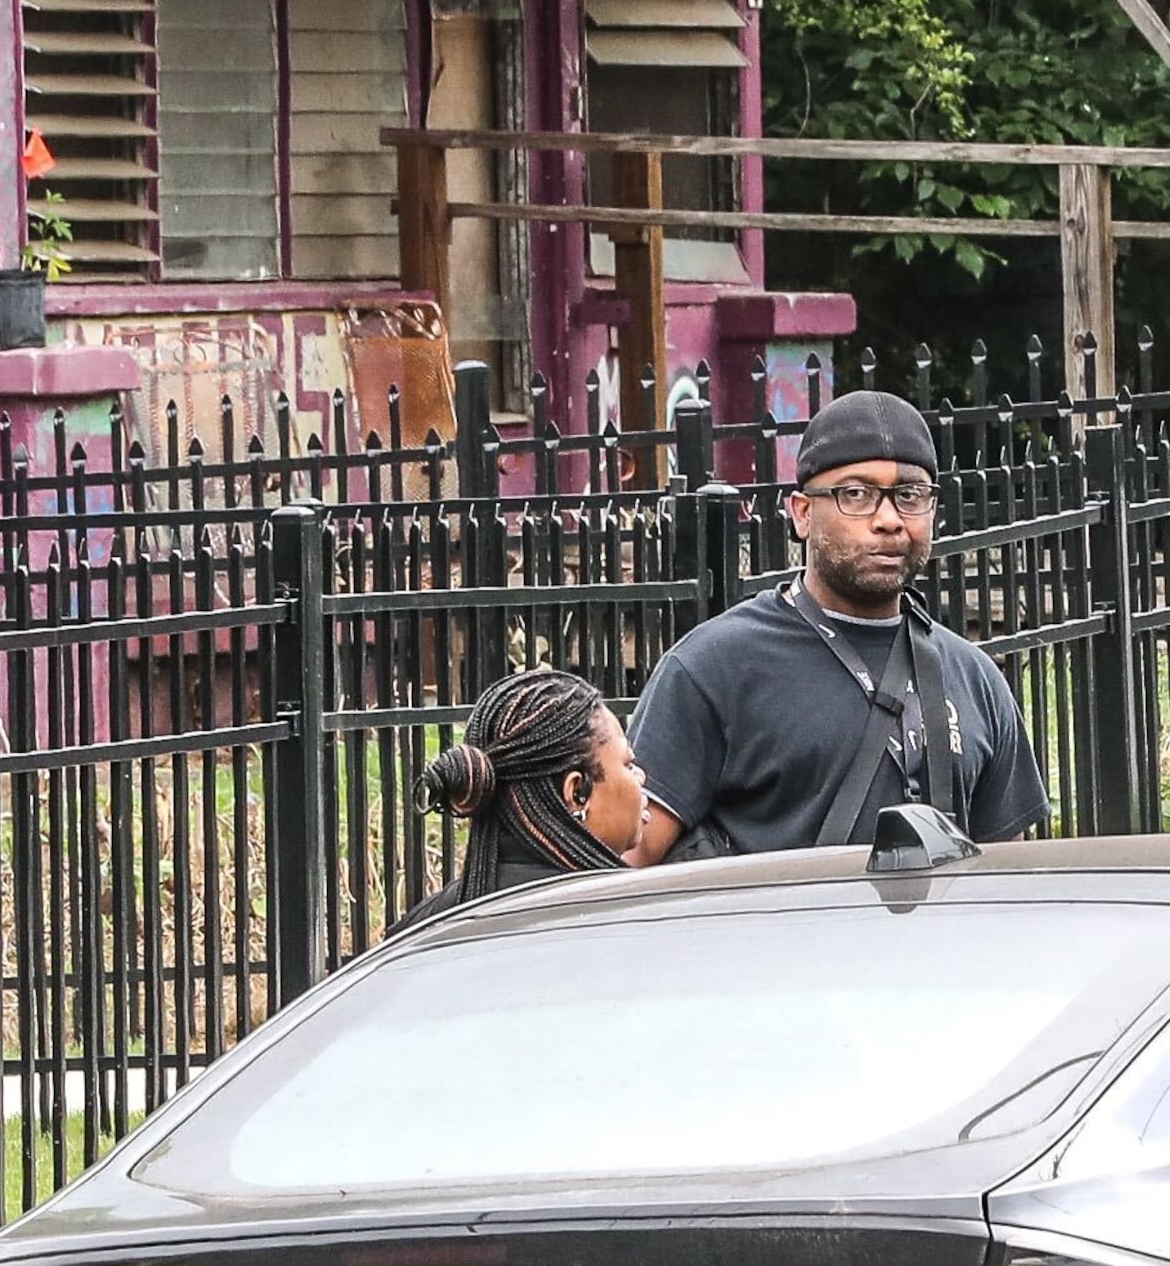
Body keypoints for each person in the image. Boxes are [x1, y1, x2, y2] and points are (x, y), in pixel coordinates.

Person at [626, 389, 1047, 861]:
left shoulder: (975, 678)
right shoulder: (712, 668)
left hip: (940, 935)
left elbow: (1007, 875)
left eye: (910, 495)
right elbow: (632, 859)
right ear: (803, 513)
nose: (888, 520)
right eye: (856, 495)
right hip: (775, 933)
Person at [396, 667, 644, 933]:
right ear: (576, 793)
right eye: (628, 764)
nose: (641, 776)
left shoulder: (422, 930)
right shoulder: (626, 922)